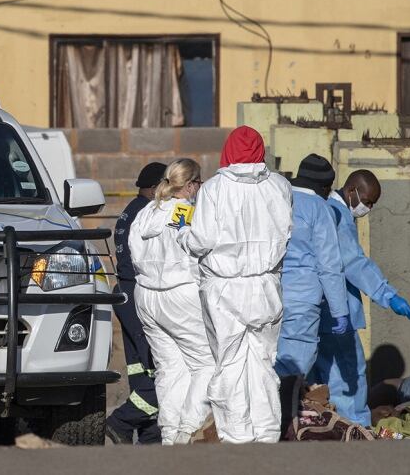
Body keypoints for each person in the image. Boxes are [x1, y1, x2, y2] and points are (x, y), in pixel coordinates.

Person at [177, 126, 291, 443]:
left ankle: (236, 436)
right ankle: (267, 433)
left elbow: (201, 240)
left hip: (224, 288)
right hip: (267, 286)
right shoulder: (280, 186)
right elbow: (286, 232)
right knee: (263, 364)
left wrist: (182, 235)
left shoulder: (213, 190)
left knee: (230, 364)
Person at [311, 169, 410, 426]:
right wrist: (388, 294)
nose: (367, 208)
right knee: (350, 372)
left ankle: (333, 425)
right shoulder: (338, 215)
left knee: (324, 374)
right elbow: (353, 263)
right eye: (367, 201)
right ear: (351, 191)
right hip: (337, 313)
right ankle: (355, 427)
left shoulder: (323, 209)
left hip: (320, 309)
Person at [128, 159, 215, 445]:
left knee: (170, 368)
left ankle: (168, 434)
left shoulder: (146, 212)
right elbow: (192, 251)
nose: (200, 188)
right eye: (199, 183)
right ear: (190, 185)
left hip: (146, 296)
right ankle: (188, 429)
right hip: (179, 294)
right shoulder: (184, 210)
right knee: (206, 364)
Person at [106, 162, 167, 444]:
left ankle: (148, 435)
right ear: (155, 187)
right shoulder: (147, 212)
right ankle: (121, 421)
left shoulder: (131, 209)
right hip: (139, 294)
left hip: (126, 294)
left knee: (139, 369)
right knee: (160, 370)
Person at [274, 154, 349, 379]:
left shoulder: (277, 199)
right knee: (293, 370)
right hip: (302, 301)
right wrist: (340, 310)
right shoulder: (320, 208)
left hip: (268, 295)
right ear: (325, 187)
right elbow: (329, 265)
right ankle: (284, 413)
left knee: (266, 364)